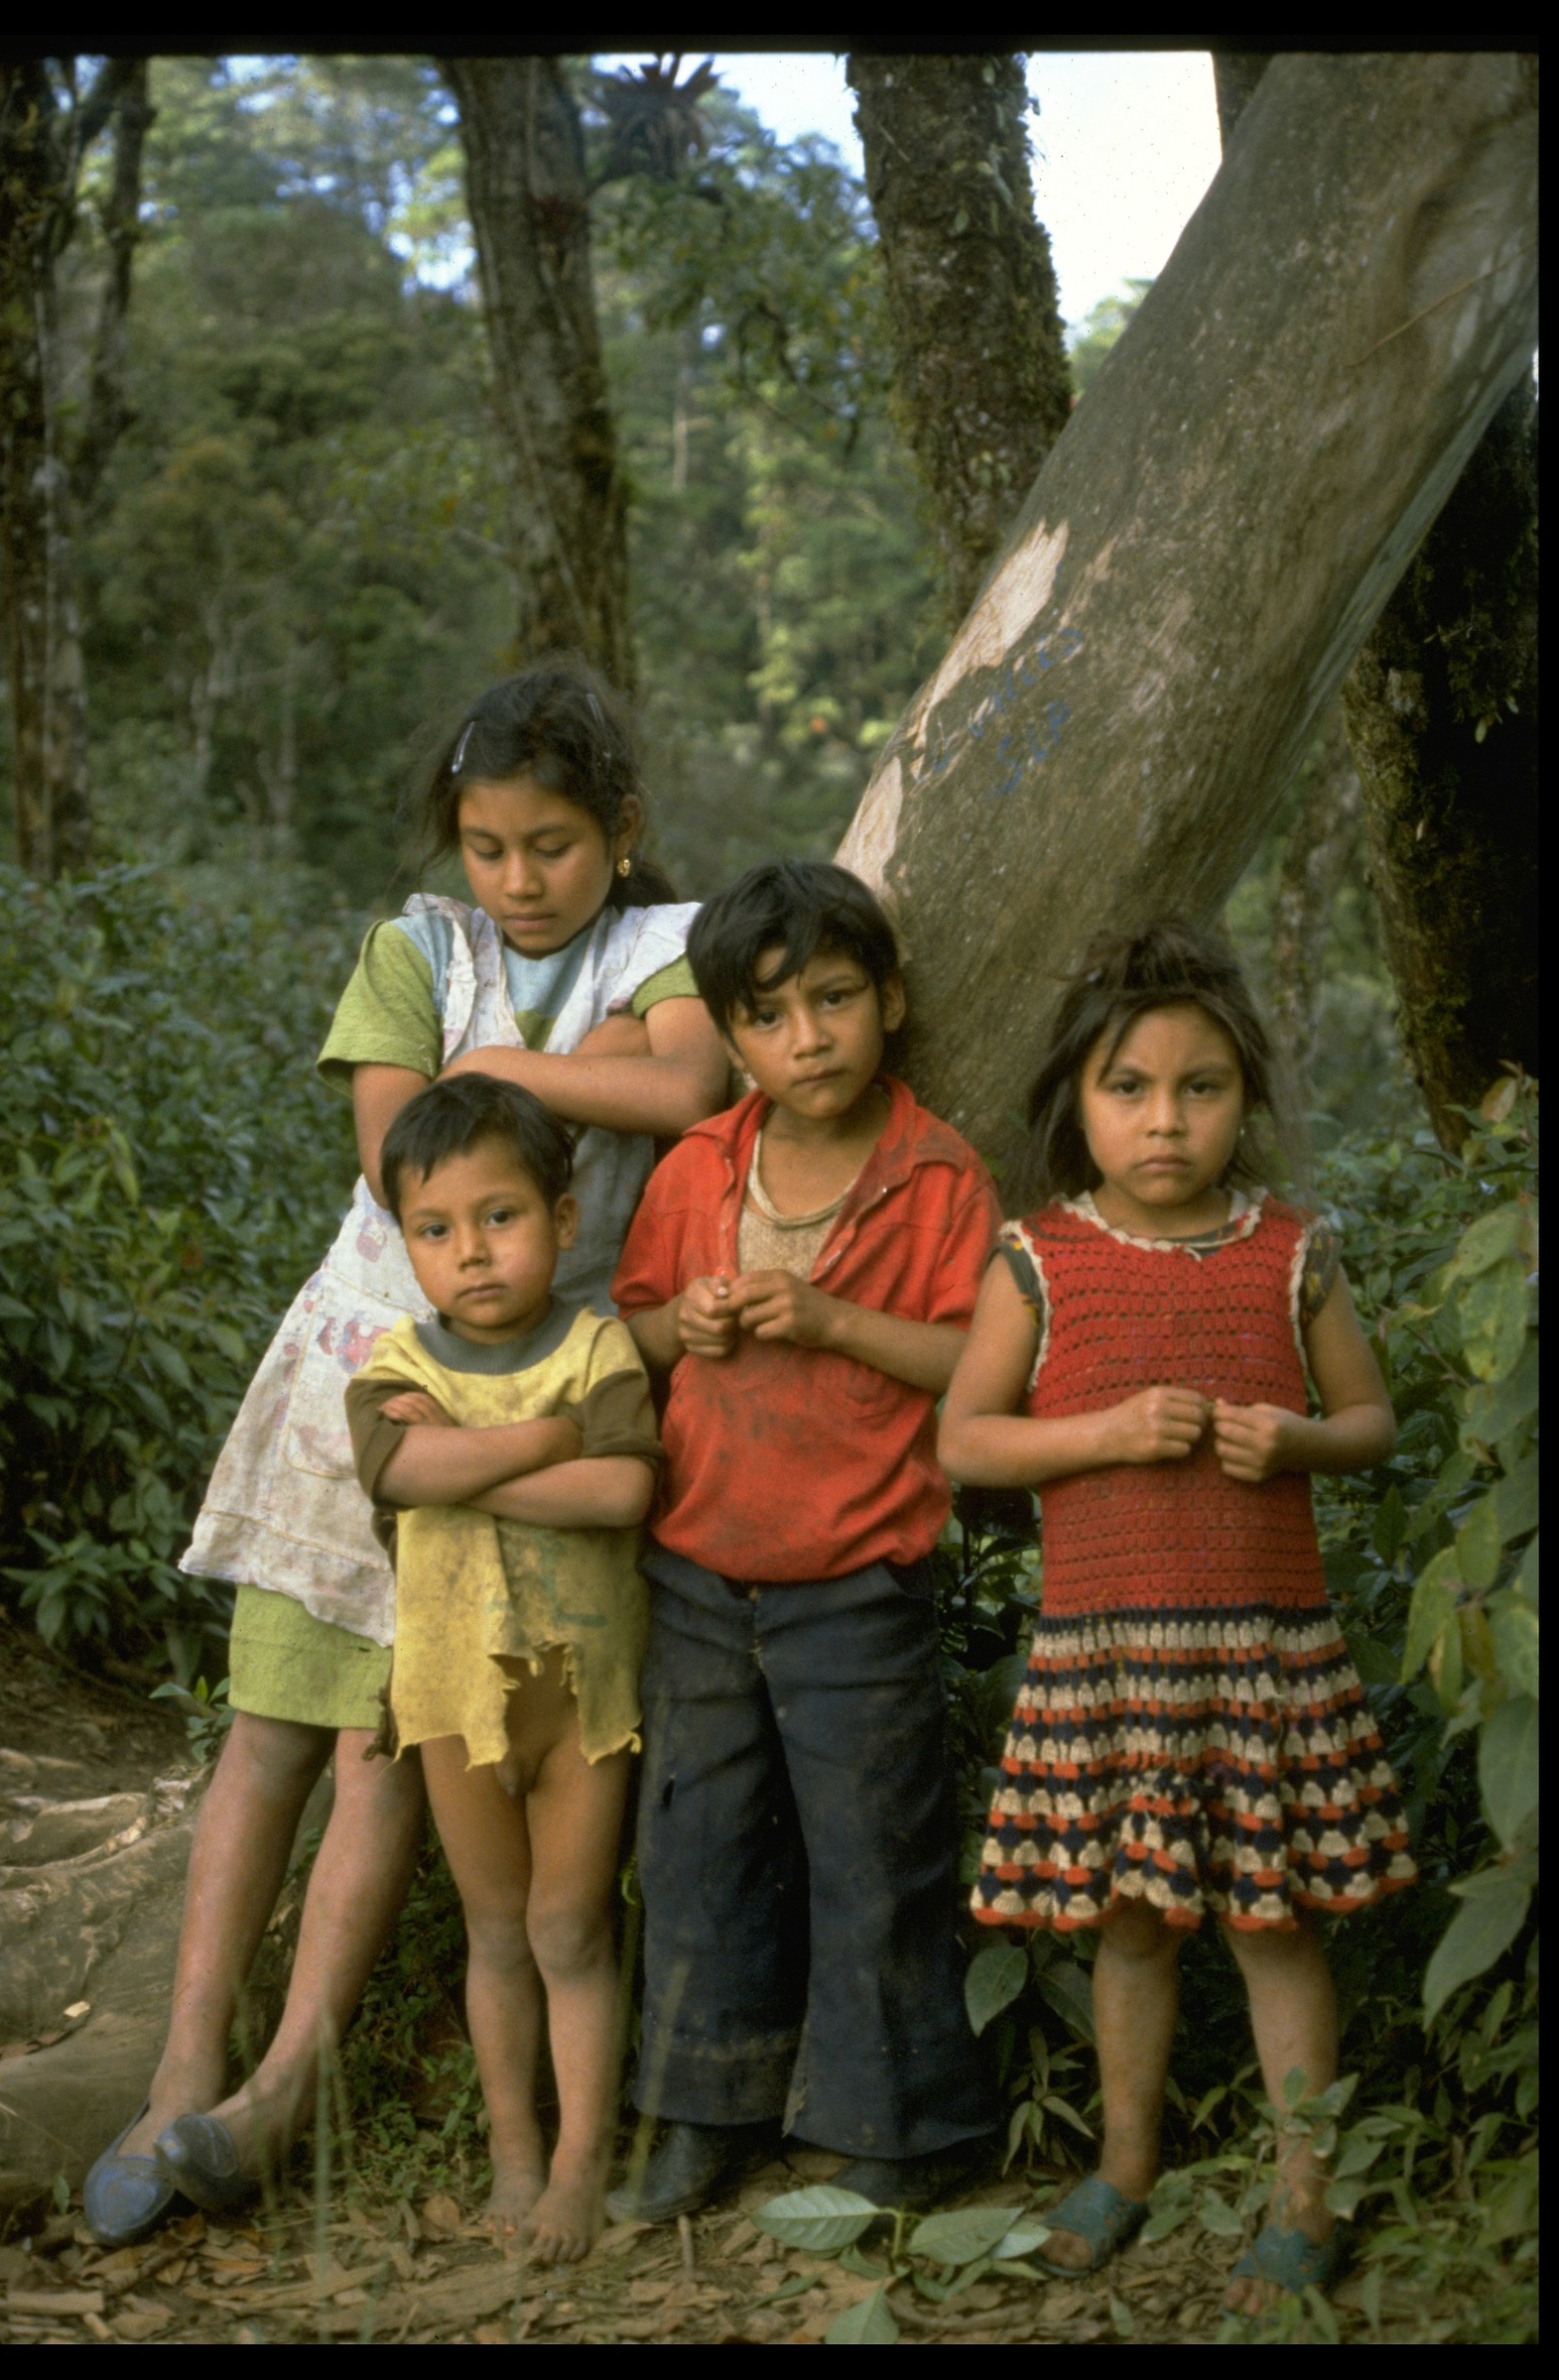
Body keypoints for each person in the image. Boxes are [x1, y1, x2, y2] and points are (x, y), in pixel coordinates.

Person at [84, 660, 728, 2246]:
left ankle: (284, 2083)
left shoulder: (670, 947)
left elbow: (694, 1081)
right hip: (370, 1366)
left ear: (623, 833)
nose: (516, 881)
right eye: (488, 847)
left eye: (555, 846)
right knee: (276, 1723)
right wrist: (526, 1093)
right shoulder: (414, 946)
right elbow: (395, 1156)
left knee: (394, 1738)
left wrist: (491, 1073)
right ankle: (177, 2068)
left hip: (545, 1385)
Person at [938, 920, 1416, 2315]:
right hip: (1111, 1657)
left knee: (1278, 1926)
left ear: (1245, 1100)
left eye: (1199, 1087)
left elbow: (1372, 1420)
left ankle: (1305, 2196)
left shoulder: (1289, 1251)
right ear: (1075, 1105)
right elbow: (968, 1442)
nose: (1164, 1119)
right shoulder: (1038, 1261)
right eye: (1129, 1088)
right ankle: (1125, 2164)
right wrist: (1099, 1434)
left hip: (1267, 1656)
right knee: (1132, 1921)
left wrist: (1301, 1441)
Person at [606, 858, 1001, 2225]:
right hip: (700, 1568)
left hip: (861, 1578)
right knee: (699, 1848)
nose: (809, 1039)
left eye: (836, 1000)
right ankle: (701, 2113)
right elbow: (635, 1330)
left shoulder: (939, 1174)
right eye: (771, 1017)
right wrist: (688, 1328)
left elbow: (971, 1359)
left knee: (874, 1853)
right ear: (732, 1035)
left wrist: (831, 1323)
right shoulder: (702, 1165)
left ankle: (903, 2125)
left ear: (889, 998)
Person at [343, 1075, 661, 2262]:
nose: (470, 1252)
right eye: (436, 1229)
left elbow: (622, 1489)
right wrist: (541, 1438)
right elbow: (397, 1475)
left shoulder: (597, 1344)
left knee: (570, 1925)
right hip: (447, 1698)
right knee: (495, 1930)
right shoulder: (391, 1358)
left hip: (580, 1698)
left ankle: (580, 2159)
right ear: (406, 1244)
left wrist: (466, 1451)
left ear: (564, 1221)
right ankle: (513, 2151)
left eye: (501, 1217)